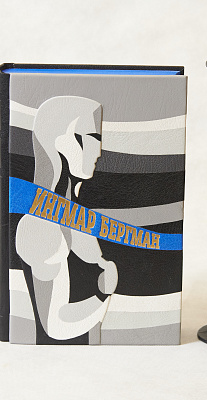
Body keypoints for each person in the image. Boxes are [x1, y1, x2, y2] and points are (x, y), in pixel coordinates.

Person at [15, 96, 118, 343]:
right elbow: (55, 326)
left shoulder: (70, 214)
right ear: (63, 140)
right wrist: (103, 296)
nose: (99, 150)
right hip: (62, 358)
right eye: (94, 137)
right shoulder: (42, 227)